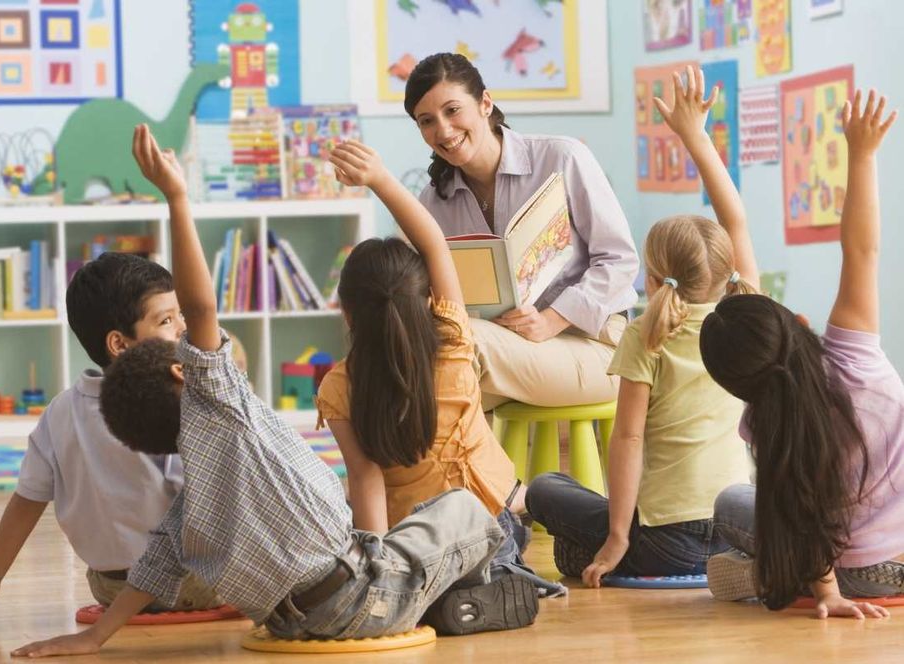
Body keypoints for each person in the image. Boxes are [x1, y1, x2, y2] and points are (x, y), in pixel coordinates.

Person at [10, 125, 537, 658]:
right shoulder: (225, 409)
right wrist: (175, 196)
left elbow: (149, 572)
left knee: (408, 537)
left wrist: (95, 636)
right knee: (463, 510)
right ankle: (486, 587)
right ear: (181, 375)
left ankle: (444, 589)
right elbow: (201, 307)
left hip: (293, 623)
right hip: (363, 595)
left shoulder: (190, 503)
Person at [526, 65, 756, 586]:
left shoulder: (644, 333)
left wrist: (617, 538)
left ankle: (596, 548)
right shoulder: (748, 318)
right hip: (737, 530)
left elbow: (626, 440)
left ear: (651, 279)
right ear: (727, 271)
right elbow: (735, 219)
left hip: (663, 545)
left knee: (545, 489)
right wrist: (696, 138)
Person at [318, 140, 563, 596]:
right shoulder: (452, 340)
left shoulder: (338, 386)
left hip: (416, 555)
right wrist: (380, 179)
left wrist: (379, 573)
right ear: (427, 300)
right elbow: (434, 244)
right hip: (490, 535)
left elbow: (365, 480)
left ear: (347, 312)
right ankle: (534, 515)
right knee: (525, 516)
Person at [0, 252, 220, 627]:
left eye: (182, 314)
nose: (183, 328)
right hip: (187, 584)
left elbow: (26, 500)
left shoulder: (59, 411)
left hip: (109, 588)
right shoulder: (176, 402)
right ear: (119, 344)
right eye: (167, 320)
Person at [701, 90, 900, 620]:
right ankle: (779, 573)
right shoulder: (856, 355)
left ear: (737, 386)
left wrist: (829, 592)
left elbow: (800, 512)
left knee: (731, 506)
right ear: (798, 325)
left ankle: (774, 573)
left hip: (852, 569)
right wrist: (862, 154)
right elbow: (862, 249)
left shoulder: (770, 425)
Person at [405, 52, 639, 411]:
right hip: (500, 350)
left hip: (598, 347)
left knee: (457, 354)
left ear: (485, 102)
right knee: (413, 390)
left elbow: (620, 261)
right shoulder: (434, 201)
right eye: (427, 121)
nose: (443, 130)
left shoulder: (562, 158)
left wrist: (550, 320)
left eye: (452, 111)